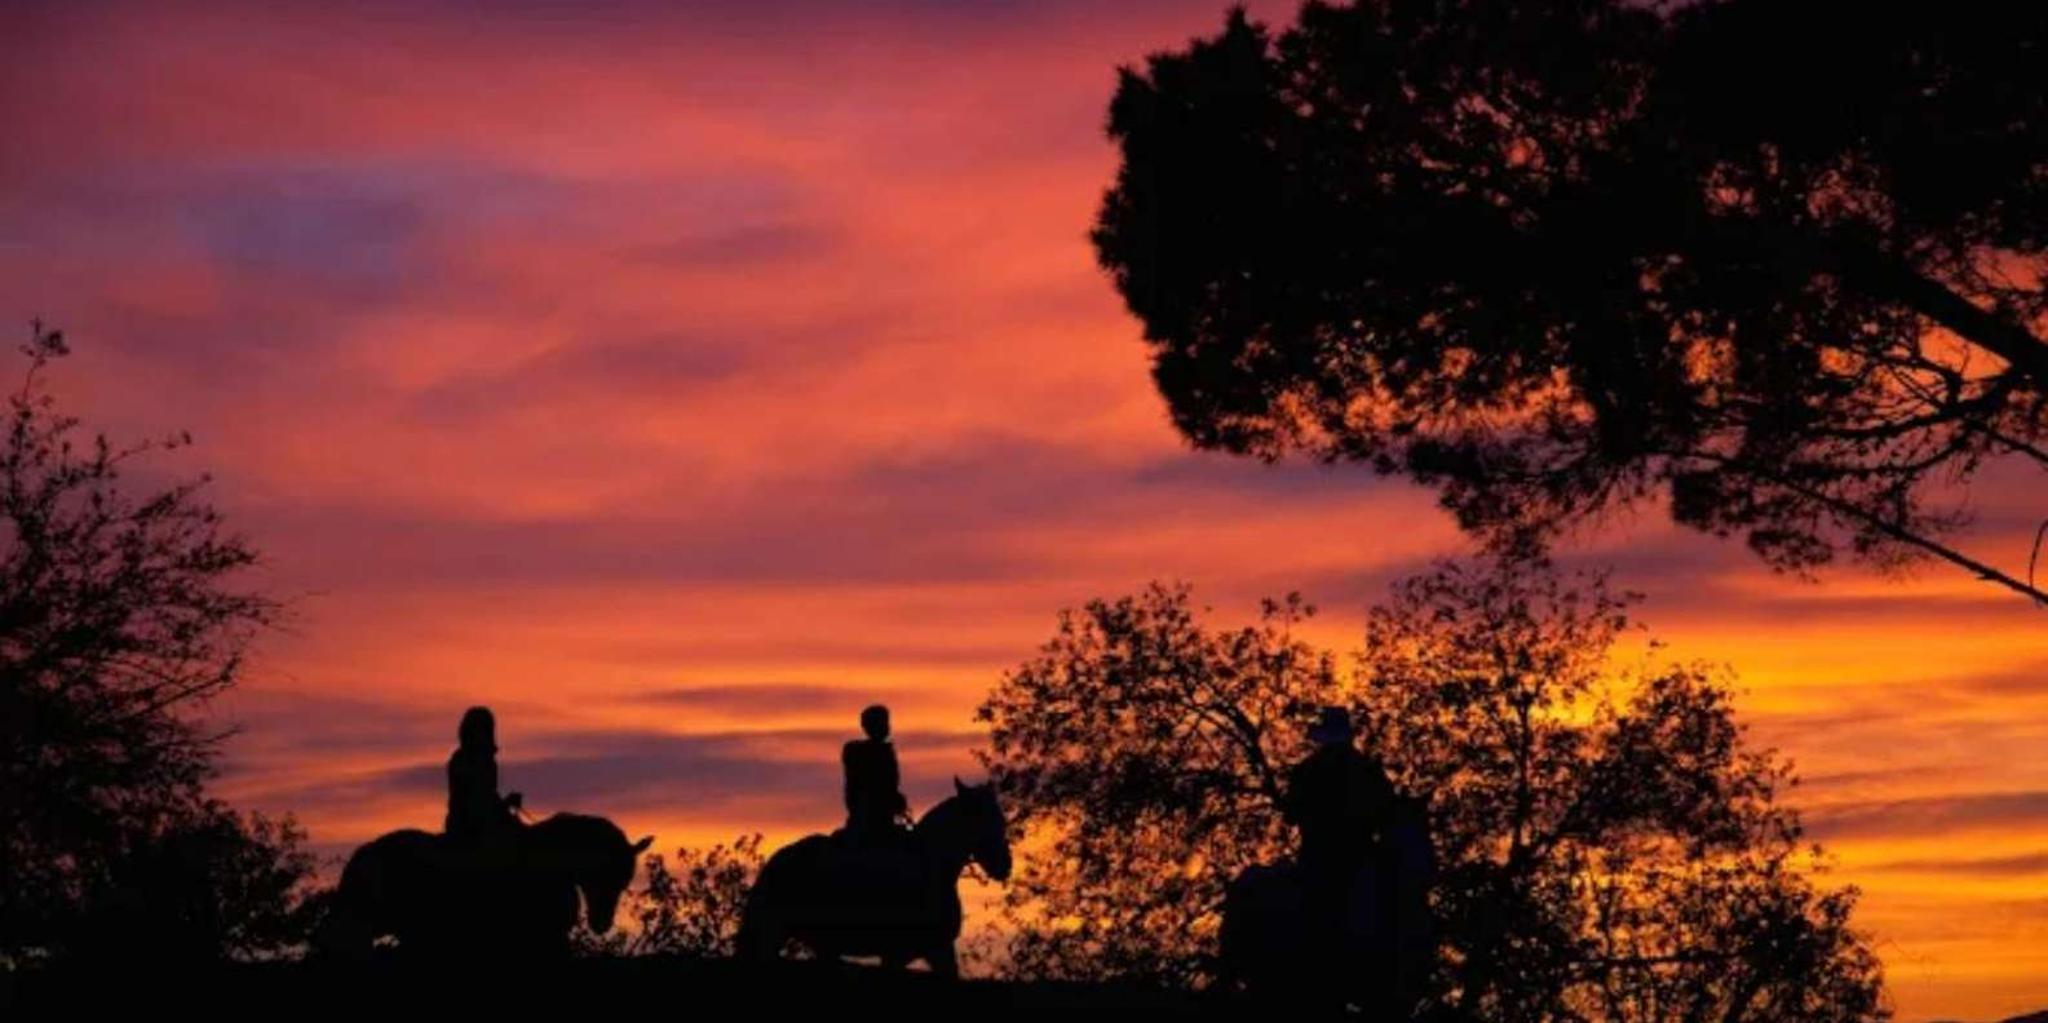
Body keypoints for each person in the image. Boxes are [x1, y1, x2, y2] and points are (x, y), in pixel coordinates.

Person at [1282, 705, 1397, 998]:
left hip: (1319, 858)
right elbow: (1389, 813)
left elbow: (1290, 815)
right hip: (1356, 858)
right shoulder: (1367, 770)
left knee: (1303, 915)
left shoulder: (1306, 770)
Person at [444, 706, 522, 849]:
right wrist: (505, 805)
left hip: (472, 824)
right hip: (468, 829)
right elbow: (479, 804)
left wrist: (505, 805)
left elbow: (488, 797)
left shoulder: (475, 760)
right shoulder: (467, 762)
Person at [841, 704, 909, 840]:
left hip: (883, 816)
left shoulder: (884, 751)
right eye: (882, 723)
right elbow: (869, 786)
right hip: (867, 818)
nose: (887, 727)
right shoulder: (858, 751)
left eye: (886, 722)